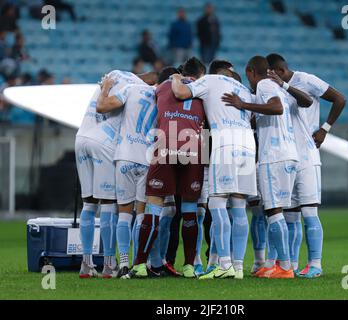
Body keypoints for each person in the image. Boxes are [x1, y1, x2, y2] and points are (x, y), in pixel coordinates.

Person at [222, 56, 313, 279]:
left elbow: (276, 108)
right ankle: (279, 264)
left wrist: (242, 104)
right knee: (277, 210)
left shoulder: (264, 84)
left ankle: (284, 267)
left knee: (273, 211)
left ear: (251, 71)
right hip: (290, 155)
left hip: (274, 157)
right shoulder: (279, 88)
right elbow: (295, 104)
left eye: (249, 77)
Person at [172, 60, 256, 280]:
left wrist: (177, 78)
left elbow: (181, 93)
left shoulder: (210, 80)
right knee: (239, 206)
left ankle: (223, 264)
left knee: (216, 203)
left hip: (225, 144)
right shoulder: (243, 89)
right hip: (248, 145)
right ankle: (238, 267)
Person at [93, 67, 179, 278]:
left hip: (124, 156)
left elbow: (103, 106)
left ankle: (122, 264)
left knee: (123, 212)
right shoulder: (164, 98)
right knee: (141, 214)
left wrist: (104, 89)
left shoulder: (131, 89)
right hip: (147, 159)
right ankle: (137, 263)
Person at [266, 53, 346, 278]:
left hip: (307, 155)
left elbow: (340, 98)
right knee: (290, 213)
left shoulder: (307, 80)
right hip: (287, 154)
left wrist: (325, 129)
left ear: (279, 71)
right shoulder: (275, 87)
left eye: (271, 74)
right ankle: (290, 264)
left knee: (309, 210)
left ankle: (315, 264)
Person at [127, 57, 206, 279]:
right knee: (190, 209)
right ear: (201, 74)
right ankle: (190, 266)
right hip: (193, 147)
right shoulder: (204, 89)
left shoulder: (162, 86)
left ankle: (140, 265)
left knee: (154, 206)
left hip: (165, 142)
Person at [75, 70, 156, 278]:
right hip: (105, 142)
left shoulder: (114, 75)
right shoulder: (140, 89)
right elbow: (106, 106)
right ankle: (109, 264)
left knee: (89, 204)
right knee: (110, 204)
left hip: (82, 137)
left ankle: (86, 263)